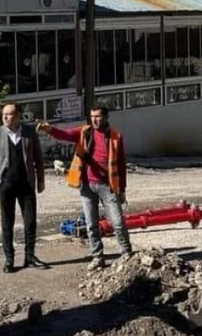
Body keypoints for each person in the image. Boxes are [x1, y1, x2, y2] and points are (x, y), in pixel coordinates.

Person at [38, 104, 132, 269]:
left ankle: (126, 253)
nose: (95, 120)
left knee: (117, 222)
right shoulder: (85, 132)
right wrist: (49, 129)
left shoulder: (116, 136)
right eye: (92, 116)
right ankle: (97, 257)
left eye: (98, 116)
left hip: (108, 186)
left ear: (106, 117)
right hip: (87, 185)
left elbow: (121, 164)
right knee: (91, 224)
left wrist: (122, 189)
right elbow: (65, 135)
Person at [0, 102, 47, 273]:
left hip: (26, 183)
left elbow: (38, 158)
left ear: (18, 115)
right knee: (7, 222)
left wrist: (40, 180)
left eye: (9, 114)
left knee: (30, 221)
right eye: (4, 114)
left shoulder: (28, 132)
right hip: (7, 184)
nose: (5, 117)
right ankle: (9, 259)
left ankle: (30, 256)